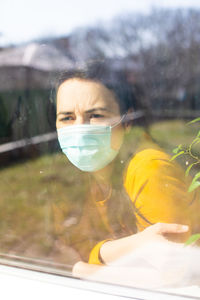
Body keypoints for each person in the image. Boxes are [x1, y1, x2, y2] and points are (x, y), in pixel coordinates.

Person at [54, 62, 200, 278]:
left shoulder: (150, 167)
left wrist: (83, 268)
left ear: (128, 121)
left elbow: (176, 274)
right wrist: (114, 250)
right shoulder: (95, 171)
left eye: (96, 115)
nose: (79, 129)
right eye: (67, 118)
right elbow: (75, 245)